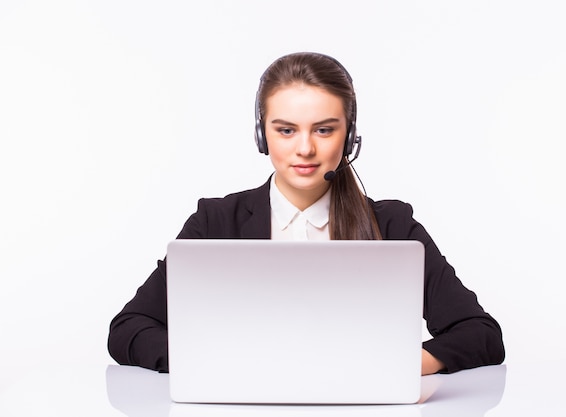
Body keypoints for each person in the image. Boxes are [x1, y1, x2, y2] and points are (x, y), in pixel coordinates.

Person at [108, 52, 505, 375]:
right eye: (285, 130)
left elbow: (481, 333)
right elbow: (128, 328)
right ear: (262, 135)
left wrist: (402, 364)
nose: (304, 149)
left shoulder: (393, 226)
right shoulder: (215, 222)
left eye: (324, 130)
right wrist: (218, 362)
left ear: (349, 136)